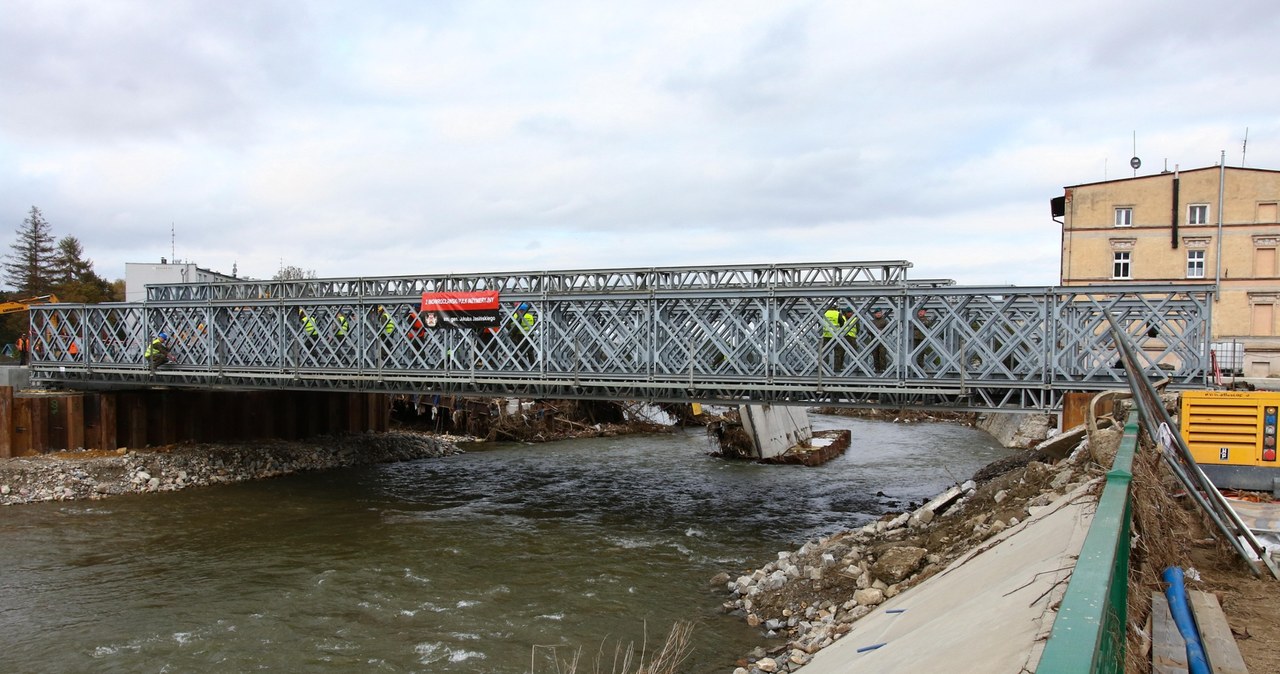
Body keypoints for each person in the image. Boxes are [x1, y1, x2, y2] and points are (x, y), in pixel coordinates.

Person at [508, 302, 536, 367]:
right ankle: (532, 364)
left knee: (520, 351)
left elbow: (509, 324)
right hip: (529, 335)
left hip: (519, 335)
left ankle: (520, 365)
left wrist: (511, 333)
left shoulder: (515, 315)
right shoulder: (530, 316)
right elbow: (534, 325)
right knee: (530, 351)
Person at [821, 304, 844, 372]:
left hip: (826, 335)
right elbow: (842, 323)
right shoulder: (837, 314)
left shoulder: (825, 313)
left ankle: (824, 368)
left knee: (825, 353)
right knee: (838, 353)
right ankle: (837, 368)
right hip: (835, 336)